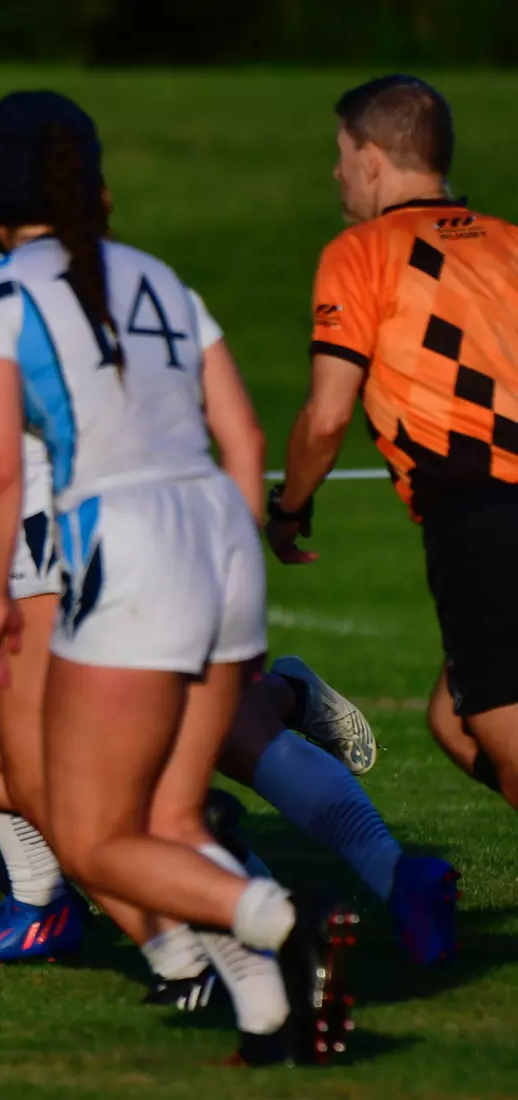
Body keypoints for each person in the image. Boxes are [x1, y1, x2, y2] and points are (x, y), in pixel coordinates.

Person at [0, 87, 452, 984]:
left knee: (19, 767)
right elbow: (217, 430)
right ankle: (381, 874)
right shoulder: (99, 269)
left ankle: (209, 936)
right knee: (222, 736)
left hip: (75, 534)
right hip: (193, 521)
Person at [0, 91, 352, 1065]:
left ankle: (281, 916)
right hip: (221, 533)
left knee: (94, 838)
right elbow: (244, 436)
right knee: (173, 817)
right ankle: (270, 1019)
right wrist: (233, 554)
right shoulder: (162, 278)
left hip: (129, 542)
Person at [272, 75, 518, 832]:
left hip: (483, 507)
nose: (337, 171)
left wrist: (289, 506)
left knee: (499, 726)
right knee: (453, 720)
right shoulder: (508, 241)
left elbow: (325, 418)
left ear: (373, 160)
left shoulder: (362, 252)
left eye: (343, 154)